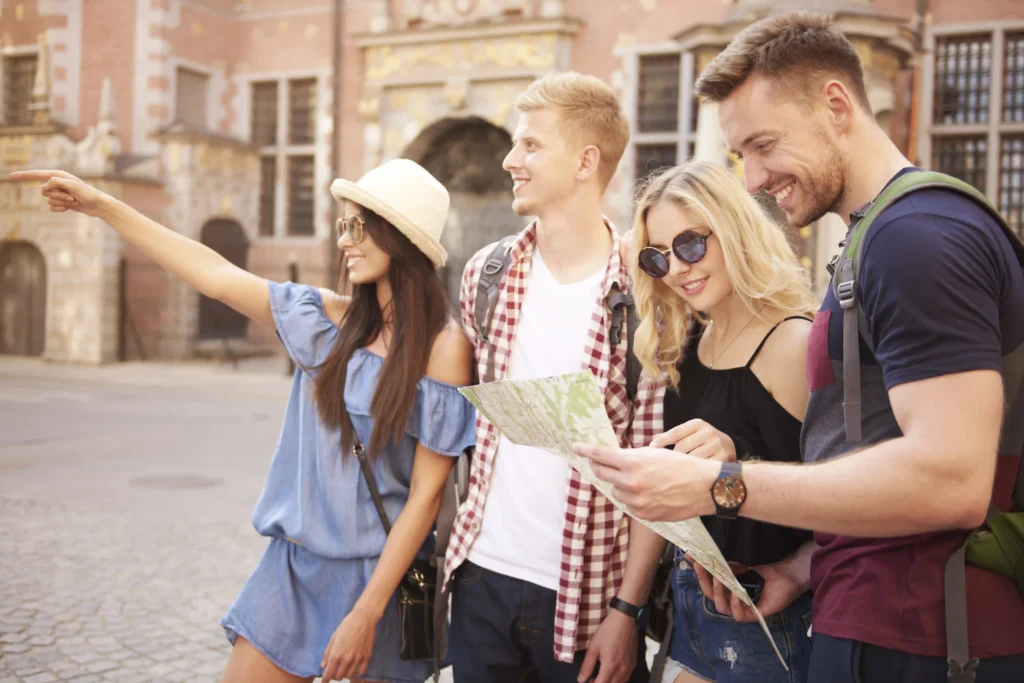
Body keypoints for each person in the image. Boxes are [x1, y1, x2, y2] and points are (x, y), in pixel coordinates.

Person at [572, 11, 1024, 682]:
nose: (752, 179)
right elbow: (877, 469)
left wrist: (722, 483)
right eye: (741, 156)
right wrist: (806, 564)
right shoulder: (879, 237)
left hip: (925, 641)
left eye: (763, 144)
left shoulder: (915, 237)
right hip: (870, 617)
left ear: (836, 103)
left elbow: (953, 480)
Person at [12, 159, 477, 683]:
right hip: (295, 572)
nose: (343, 240)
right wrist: (103, 206)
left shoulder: (444, 348)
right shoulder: (321, 321)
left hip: (386, 585)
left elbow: (425, 497)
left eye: (356, 226)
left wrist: (366, 613)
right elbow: (214, 274)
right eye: (341, 225)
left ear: (401, 238)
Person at [442, 71, 663, 683]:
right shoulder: (485, 275)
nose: (511, 159)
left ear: (587, 161)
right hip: (481, 579)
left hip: (590, 598)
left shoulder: (645, 298)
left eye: (532, 145)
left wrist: (627, 611)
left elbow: (653, 479)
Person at [628, 161, 817, 682]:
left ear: (733, 228)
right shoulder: (688, 345)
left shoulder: (792, 343)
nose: (678, 268)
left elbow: (857, 494)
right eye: (657, 257)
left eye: (690, 244)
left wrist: (737, 465)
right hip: (691, 605)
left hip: (766, 614)